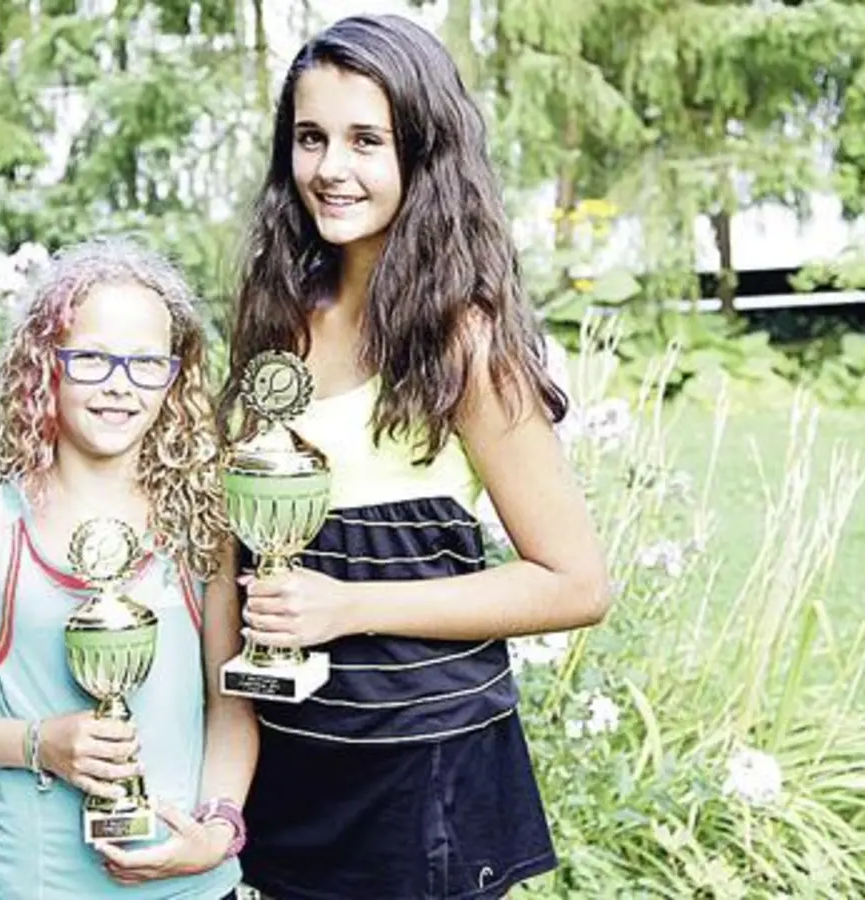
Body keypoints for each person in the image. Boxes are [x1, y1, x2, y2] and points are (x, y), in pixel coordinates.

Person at [216, 14, 615, 900]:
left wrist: (348, 606)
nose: (331, 167)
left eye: (367, 140)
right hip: (290, 774)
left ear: (424, 152)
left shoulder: (464, 343)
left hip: (420, 784)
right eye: (311, 138)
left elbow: (575, 583)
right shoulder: (276, 320)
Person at [0, 238, 256, 900]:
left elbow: (230, 705)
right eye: (92, 359)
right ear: (44, 366)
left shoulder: (202, 526)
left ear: (174, 379)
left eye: (147, 363)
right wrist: (38, 743)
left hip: (197, 889)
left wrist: (218, 829)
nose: (120, 384)